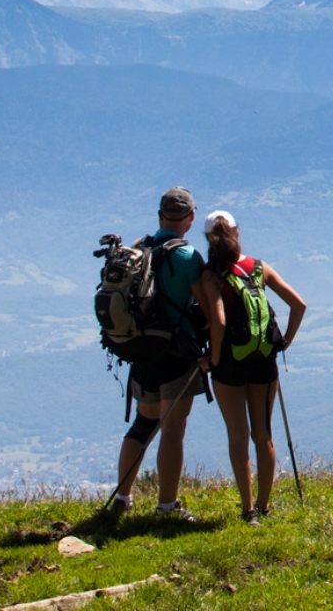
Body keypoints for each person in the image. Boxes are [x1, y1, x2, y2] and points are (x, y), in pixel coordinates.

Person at [110, 186, 216, 521]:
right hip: (176, 354)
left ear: (160, 215)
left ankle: (122, 499)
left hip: (141, 351)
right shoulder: (187, 257)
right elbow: (204, 304)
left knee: (143, 423)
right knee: (173, 429)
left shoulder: (140, 249)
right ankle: (167, 507)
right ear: (191, 217)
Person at [197, 209, 307, 524]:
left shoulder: (211, 274)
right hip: (264, 359)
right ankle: (264, 506)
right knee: (264, 433)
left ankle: (247, 511)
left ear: (209, 239)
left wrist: (214, 358)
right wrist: (285, 339)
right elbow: (298, 305)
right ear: (237, 232)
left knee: (238, 435)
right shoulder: (258, 268)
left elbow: (217, 320)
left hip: (230, 364)